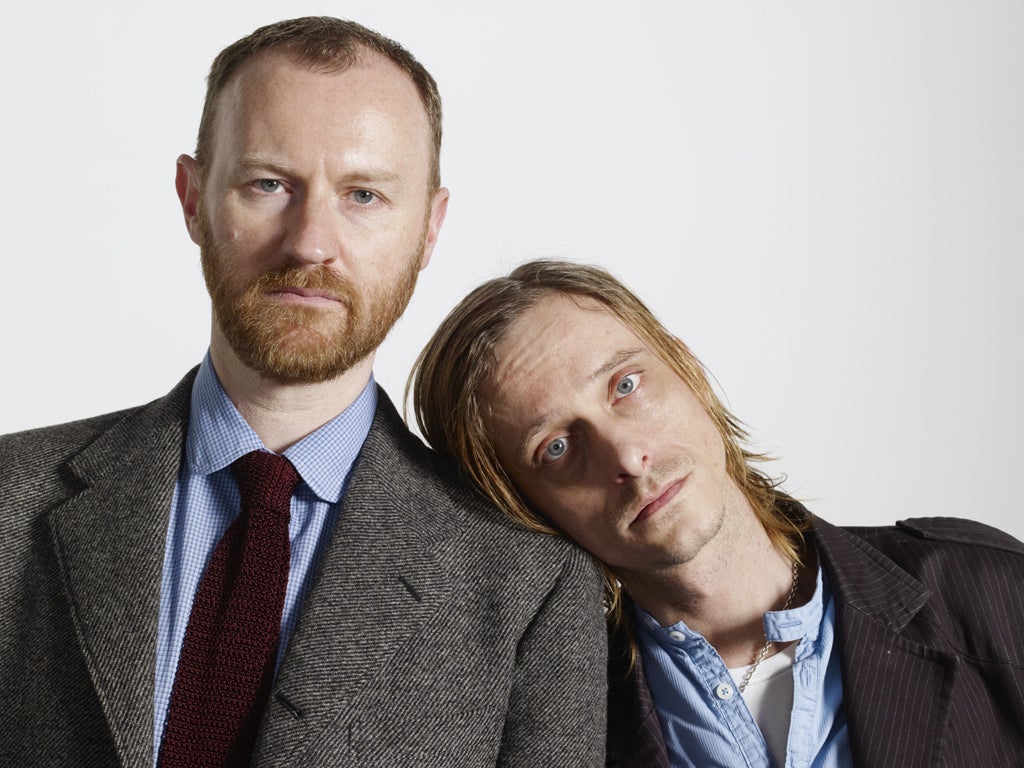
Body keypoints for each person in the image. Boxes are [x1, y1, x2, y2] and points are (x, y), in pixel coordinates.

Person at [0, 21, 606, 767]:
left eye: (364, 194)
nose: (311, 241)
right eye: (268, 184)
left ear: (428, 228)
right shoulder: (7, 500)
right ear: (193, 199)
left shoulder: (531, 588)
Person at [410, 259, 1024, 768]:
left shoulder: (984, 590)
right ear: (524, 508)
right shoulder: (550, 725)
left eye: (626, 385)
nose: (626, 455)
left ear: (688, 370)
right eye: (558, 448)